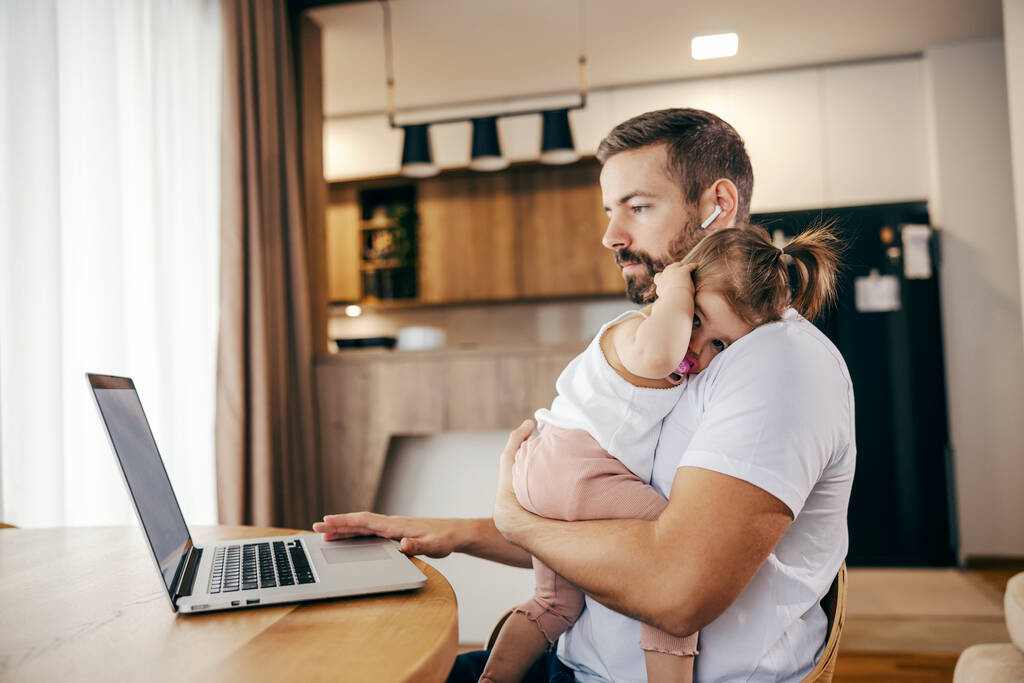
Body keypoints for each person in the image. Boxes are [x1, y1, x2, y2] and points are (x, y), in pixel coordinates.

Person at [314, 108, 856, 682]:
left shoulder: (775, 364)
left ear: (716, 203)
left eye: (638, 208)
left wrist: (516, 520)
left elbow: (675, 590)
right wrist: (452, 531)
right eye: (609, 211)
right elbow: (608, 536)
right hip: (572, 665)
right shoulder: (687, 347)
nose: (611, 236)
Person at [482, 224, 842, 683]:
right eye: (695, 320)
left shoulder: (767, 357)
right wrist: (672, 288)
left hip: (551, 469)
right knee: (668, 563)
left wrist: (509, 521)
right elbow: (661, 355)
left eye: (720, 344)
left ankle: (492, 678)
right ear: (677, 294)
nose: (698, 348)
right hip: (576, 469)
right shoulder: (639, 333)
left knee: (553, 604)